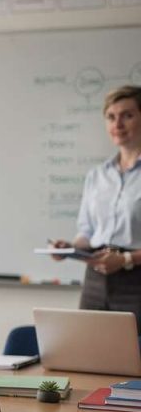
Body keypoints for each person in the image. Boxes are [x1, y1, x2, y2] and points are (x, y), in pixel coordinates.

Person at [52, 86, 141, 326]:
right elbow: (88, 233)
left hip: (136, 280)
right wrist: (69, 248)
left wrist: (125, 259)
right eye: (111, 117)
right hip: (95, 279)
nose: (117, 124)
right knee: (88, 345)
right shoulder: (97, 175)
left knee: (132, 349)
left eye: (127, 116)